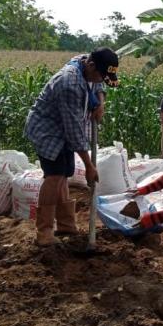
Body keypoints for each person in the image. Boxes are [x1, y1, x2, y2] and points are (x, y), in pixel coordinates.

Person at [25, 47, 119, 246]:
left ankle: (66, 225)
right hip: (48, 131)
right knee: (54, 177)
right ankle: (44, 232)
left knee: (64, 175)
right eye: (101, 75)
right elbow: (74, 131)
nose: (102, 80)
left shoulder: (85, 63)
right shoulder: (70, 83)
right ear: (91, 65)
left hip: (63, 130)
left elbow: (99, 86)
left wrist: (100, 103)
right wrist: (89, 166)